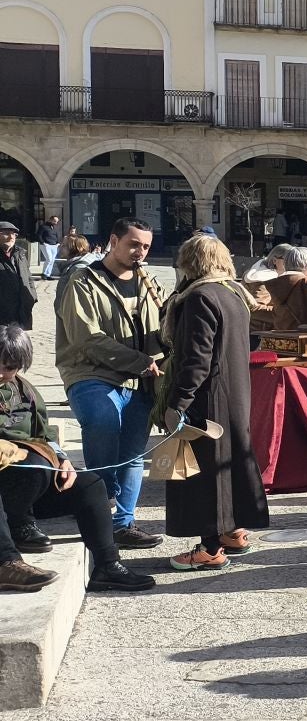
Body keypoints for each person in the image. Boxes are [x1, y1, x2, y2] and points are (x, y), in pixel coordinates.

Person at [0, 325, 154, 594]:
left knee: (90, 484)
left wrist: (62, 460)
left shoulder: (24, 391)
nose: (2, 373)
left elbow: (45, 434)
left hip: (31, 480)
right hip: (6, 484)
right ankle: (7, 561)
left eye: (10, 367)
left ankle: (107, 566)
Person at [152, 235, 272, 573]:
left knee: (204, 474)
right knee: (229, 464)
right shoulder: (233, 293)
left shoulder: (200, 297)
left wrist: (177, 402)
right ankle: (233, 531)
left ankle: (209, 548)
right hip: (234, 392)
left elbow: (196, 359)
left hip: (207, 398)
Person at [54, 217, 165, 549]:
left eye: (145, 246)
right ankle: (101, 495)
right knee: (103, 420)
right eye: (133, 244)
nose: (139, 252)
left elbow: (161, 332)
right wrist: (140, 362)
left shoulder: (149, 283)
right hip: (91, 374)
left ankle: (122, 523)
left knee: (133, 452)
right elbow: (87, 338)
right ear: (113, 241)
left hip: (141, 379)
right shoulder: (82, 281)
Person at [0, 222, 33, 328]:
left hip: (20, 310)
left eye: (14, 234)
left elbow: (28, 277)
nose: (11, 237)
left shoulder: (20, 254)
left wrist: (32, 297)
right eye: (6, 233)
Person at [37, 215, 62, 281]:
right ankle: (44, 274)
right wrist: (43, 243)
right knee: (49, 259)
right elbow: (39, 235)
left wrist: (58, 243)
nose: (56, 223)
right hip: (46, 245)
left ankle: (48, 274)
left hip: (54, 246)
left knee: (52, 260)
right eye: (54, 221)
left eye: (57, 221)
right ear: (50, 220)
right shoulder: (43, 226)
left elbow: (56, 236)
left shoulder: (54, 228)